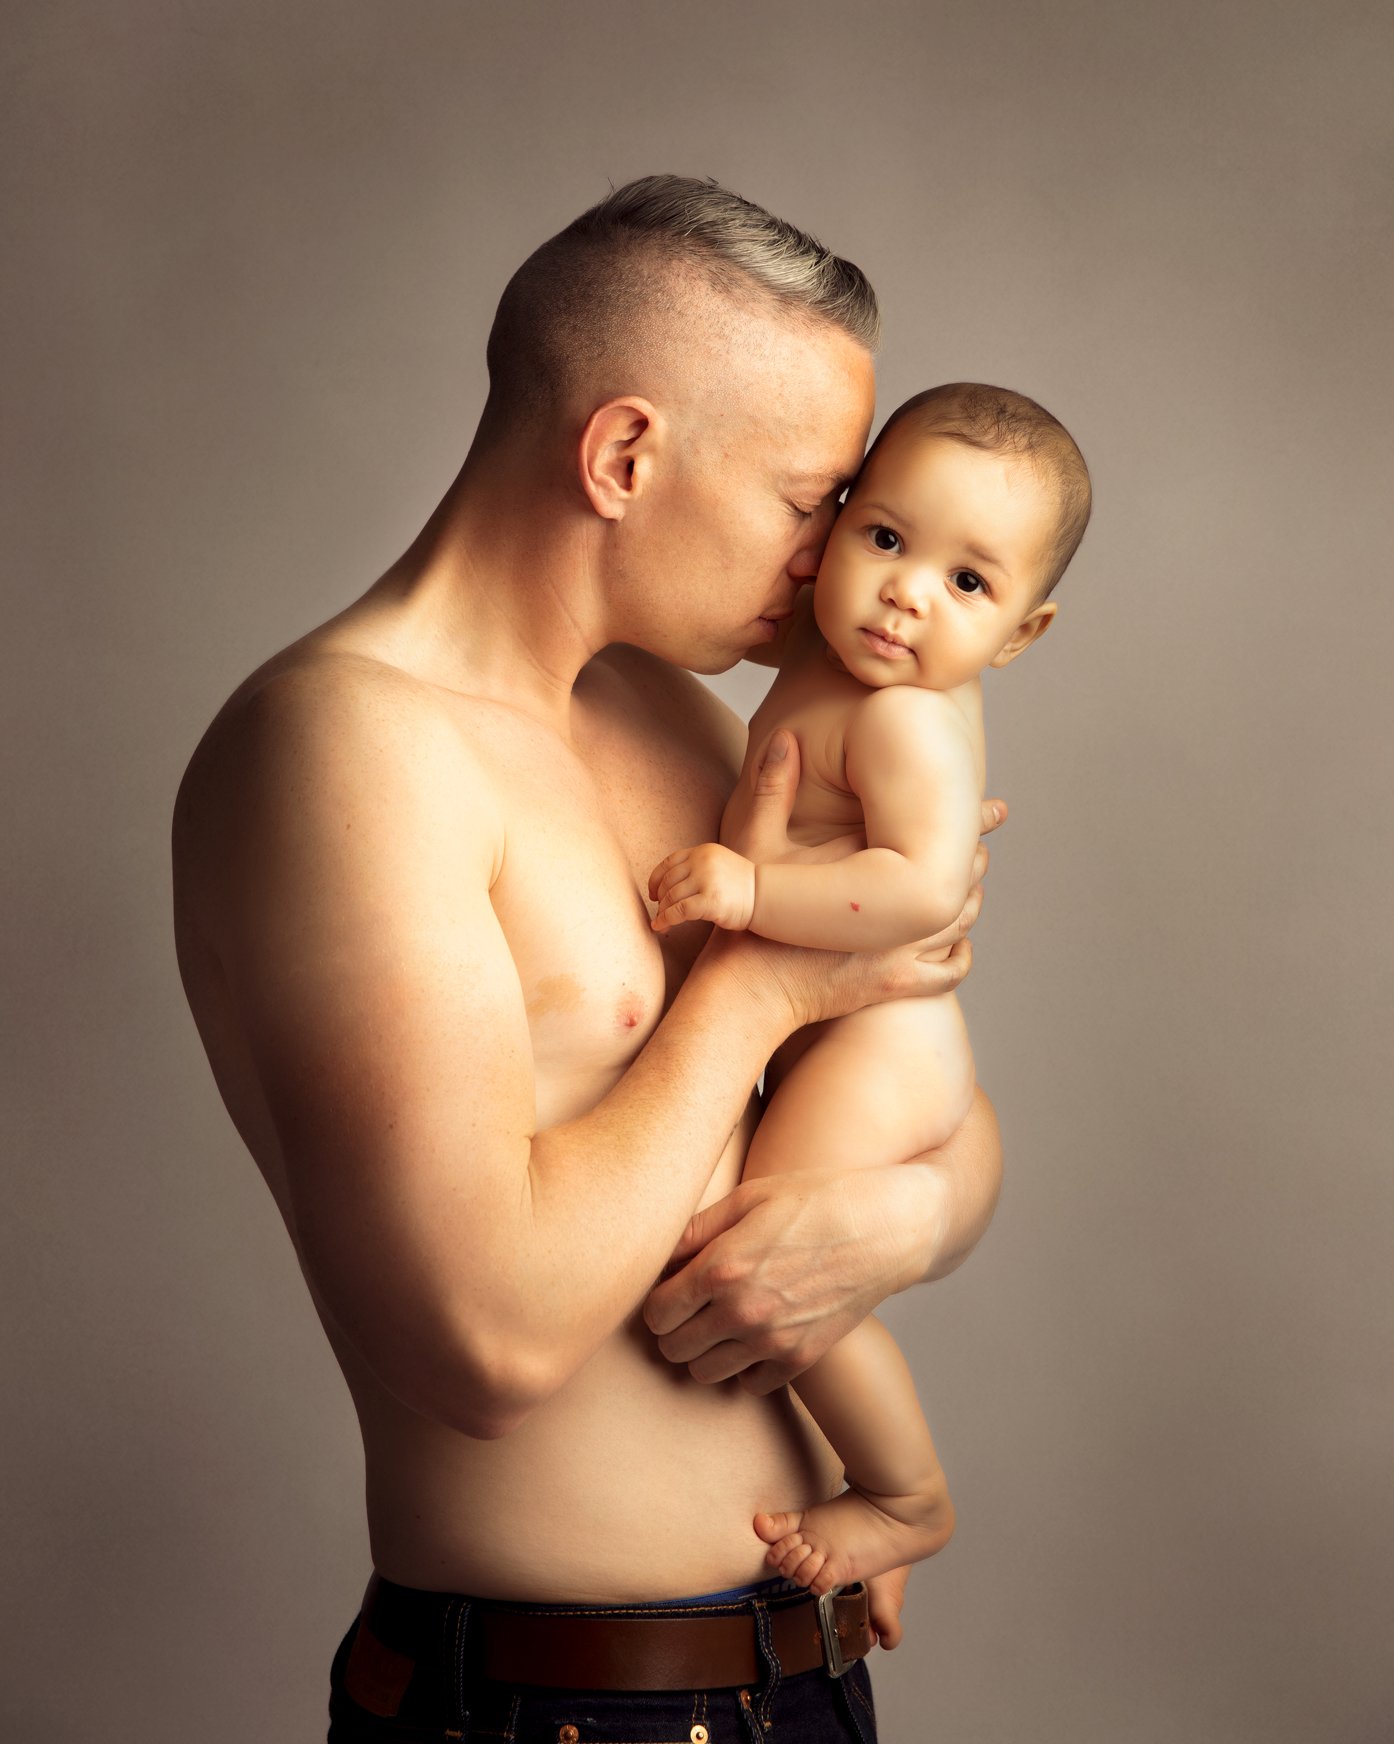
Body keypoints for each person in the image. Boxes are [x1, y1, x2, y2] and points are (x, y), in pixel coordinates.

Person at [171, 175, 1007, 1743]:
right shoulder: (343, 748)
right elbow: (481, 1342)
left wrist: (899, 1221)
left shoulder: (681, 723)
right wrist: (760, 988)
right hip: (557, 1706)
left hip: (811, 1669)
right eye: (806, 497)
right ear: (624, 454)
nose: (837, 557)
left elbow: (937, 1100)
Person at [649, 382, 1091, 1599]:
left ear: (1018, 633)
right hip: (841, 1029)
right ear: (832, 529)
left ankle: (902, 1495)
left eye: (967, 582)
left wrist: (748, 891)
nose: (905, 593)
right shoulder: (831, 650)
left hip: (880, 1041)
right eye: (884, 539)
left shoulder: (906, 723)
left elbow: (913, 891)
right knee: (773, 1237)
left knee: (779, 1245)